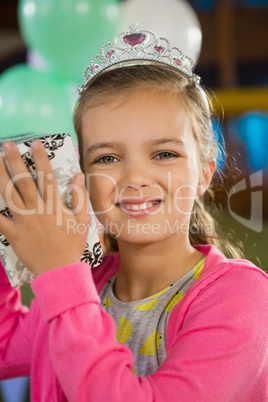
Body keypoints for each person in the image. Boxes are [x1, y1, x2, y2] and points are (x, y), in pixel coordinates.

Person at [0, 24, 268, 402]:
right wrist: (7, 228)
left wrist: (60, 275)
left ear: (205, 173)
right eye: (107, 157)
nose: (136, 177)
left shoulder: (242, 296)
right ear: (83, 179)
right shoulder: (85, 285)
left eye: (164, 154)